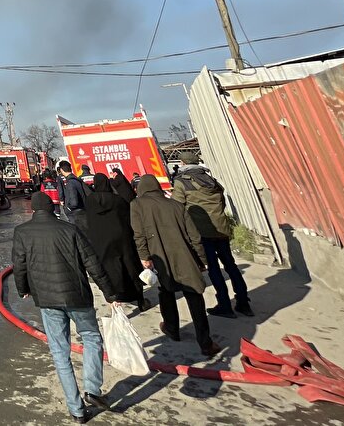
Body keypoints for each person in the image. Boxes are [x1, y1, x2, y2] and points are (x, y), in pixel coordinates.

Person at [13, 192, 118, 424]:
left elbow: (19, 264)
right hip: (77, 296)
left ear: (33, 210)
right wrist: (109, 294)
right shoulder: (70, 230)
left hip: (48, 301)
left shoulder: (22, 232)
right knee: (91, 338)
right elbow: (92, 263)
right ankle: (92, 389)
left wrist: (23, 289)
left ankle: (77, 411)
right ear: (53, 209)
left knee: (60, 354)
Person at [130, 176, 221, 357]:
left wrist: (144, 256)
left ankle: (171, 328)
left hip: (160, 256)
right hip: (185, 256)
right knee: (195, 297)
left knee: (166, 292)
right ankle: (205, 342)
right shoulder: (176, 205)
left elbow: (138, 234)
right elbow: (194, 236)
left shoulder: (137, 205)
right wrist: (201, 259)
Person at [172, 151, 252, 318]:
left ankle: (224, 305)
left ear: (183, 163)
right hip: (221, 229)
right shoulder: (211, 180)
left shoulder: (182, 183)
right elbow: (222, 202)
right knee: (231, 265)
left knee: (214, 269)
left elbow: (177, 208)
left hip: (202, 232)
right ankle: (243, 302)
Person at [83, 174, 145, 307]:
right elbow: (126, 217)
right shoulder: (117, 200)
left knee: (109, 268)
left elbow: (88, 220)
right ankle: (139, 296)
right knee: (129, 265)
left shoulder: (90, 201)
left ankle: (115, 296)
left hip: (101, 239)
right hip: (121, 236)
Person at [58, 161, 89, 230]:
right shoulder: (77, 180)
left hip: (75, 214)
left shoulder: (70, 183)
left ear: (61, 170)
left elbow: (74, 202)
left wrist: (68, 207)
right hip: (82, 210)